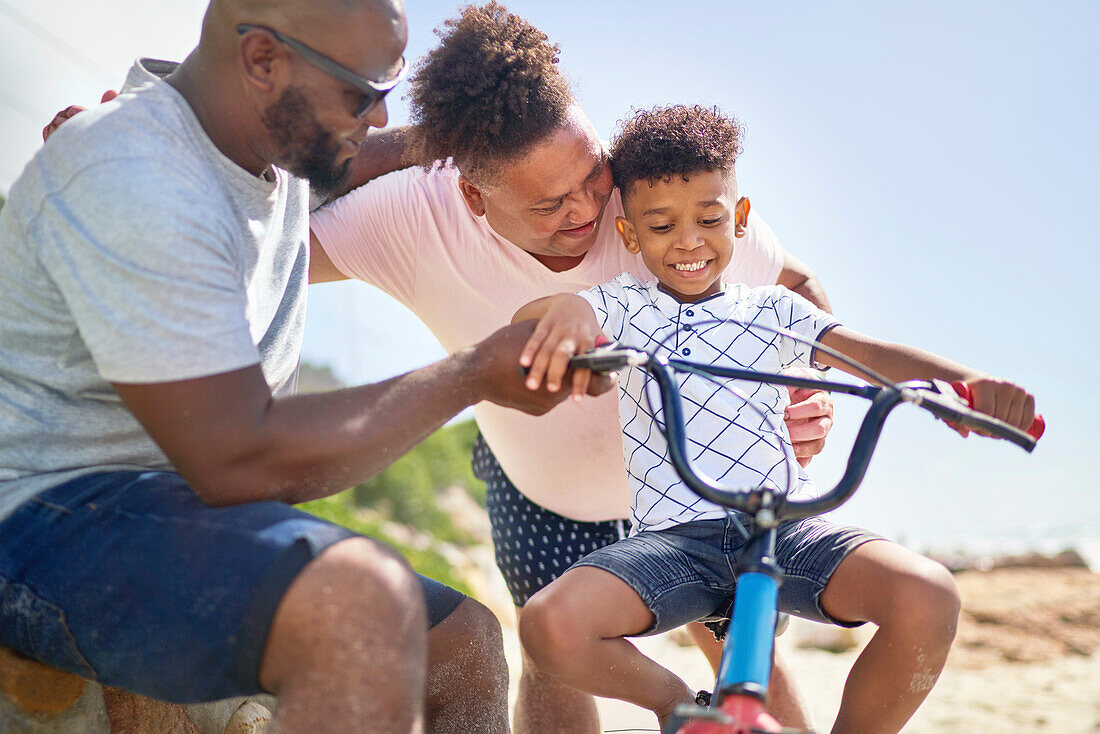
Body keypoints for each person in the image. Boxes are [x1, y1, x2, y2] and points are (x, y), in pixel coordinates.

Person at [40, 4, 828, 728]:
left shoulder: (655, 207)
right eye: (549, 207)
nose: (586, 212)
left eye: (589, 177)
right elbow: (263, 234)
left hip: (693, 475)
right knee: (554, 665)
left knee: (742, 653)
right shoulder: (414, 212)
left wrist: (803, 392)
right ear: (474, 201)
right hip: (543, 493)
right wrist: (140, 157)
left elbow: (794, 287)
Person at [0, 0, 593, 732]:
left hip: (173, 513)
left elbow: (391, 150)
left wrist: (472, 138)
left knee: (464, 643)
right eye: (363, 93)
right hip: (42, 521)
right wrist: (471, 376)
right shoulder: (133, 169)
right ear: (262, 62)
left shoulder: (261, 157)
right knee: (360, 606)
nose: (379, 118)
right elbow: (237, 458)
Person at [512, 104, 1038, 733]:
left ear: (739, 220)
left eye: (709, 219)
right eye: (661, 225)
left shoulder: (774, 310)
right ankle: (684, 708)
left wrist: (966, 386)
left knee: (928, 594)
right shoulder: (626, 306)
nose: (688, 241)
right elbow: (535, 319)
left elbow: (869, 356)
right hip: (676, 542)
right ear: (630, 237)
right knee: (549, 624)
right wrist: (567, 312)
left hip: (783, 528)